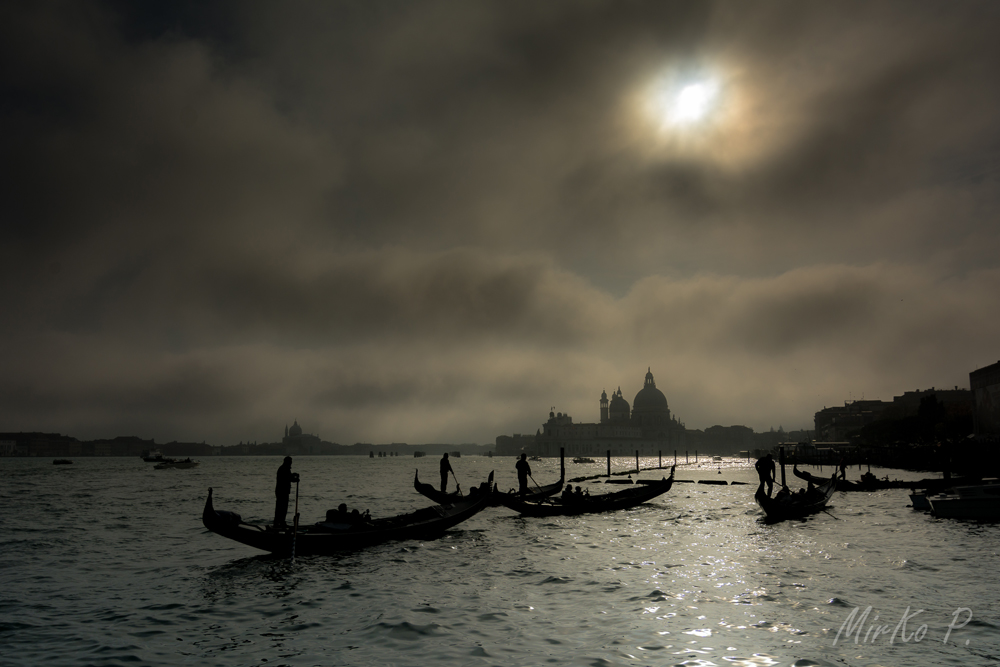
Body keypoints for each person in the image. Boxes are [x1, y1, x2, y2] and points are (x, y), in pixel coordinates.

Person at [274, 456, 299, 528]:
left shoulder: (284, 468)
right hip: (282, 491)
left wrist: (293, 475)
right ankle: (279, 523)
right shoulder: (284, 469)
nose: (291, 463)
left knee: (282, 507)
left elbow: (289, 476)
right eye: (290, 462)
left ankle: (280, 522)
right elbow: (287, 478)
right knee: (281, 507)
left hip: (283, 491)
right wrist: (295, 479)